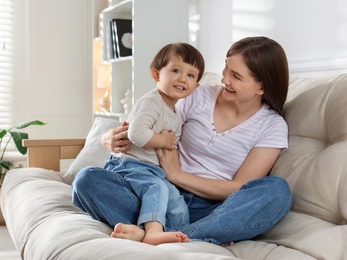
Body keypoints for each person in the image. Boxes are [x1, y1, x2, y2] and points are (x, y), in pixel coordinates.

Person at [72, 36, 293, 245]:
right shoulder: (197, 94)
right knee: (87, 180)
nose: (225, 79)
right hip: (159, 193)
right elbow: (148, 120)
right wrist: (106, 138)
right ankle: (162, 231)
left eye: (236, 76)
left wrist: (177, 174)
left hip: (211, 208)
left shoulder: (272, 126)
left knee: (278, 192)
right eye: (226, 68)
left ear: (261, 87)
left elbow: (237, 188)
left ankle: (161, 233)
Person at [73, 43, 205, 245]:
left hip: (155, 171)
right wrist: (163, 140)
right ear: (156, 74)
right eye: (176, 70)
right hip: (131, 166)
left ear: (195, 86)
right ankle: (152, 232)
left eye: (190, 75)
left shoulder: (176, 113)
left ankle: (174, 234)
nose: (182, 78)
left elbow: (171, 150)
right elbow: (137, 134)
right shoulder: (152, 102)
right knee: (155, 188)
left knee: (177, 203)